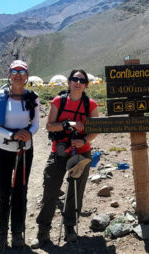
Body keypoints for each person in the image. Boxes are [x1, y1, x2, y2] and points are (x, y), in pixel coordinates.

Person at [31, 69, 99, 248]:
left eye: (81, 80)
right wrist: (68, 124)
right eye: (74, 79)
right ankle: (43, 230)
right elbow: (49, 126)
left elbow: (96, 129)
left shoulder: (90, 105)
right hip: (59, 152)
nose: (78, 82)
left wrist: (83, 139)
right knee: (51, 190)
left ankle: (70, 227)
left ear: (86, 84)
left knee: (75, 191)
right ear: (69, 82)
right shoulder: (58, 101)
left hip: (81, 152)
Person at [0, 60, 40, 252]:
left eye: (22, 71)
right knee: (3, 193)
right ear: (9, 74)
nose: (18, 75)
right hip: (3, 149)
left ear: (27, 75)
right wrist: (12, 135)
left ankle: (17, 233)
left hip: (25, 150)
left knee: (21, 192)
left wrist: (28, 133)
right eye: (14, 71)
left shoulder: (33, 97)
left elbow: (35, 124)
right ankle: (0, 236)